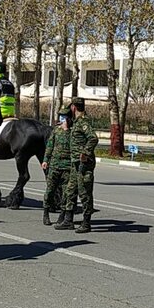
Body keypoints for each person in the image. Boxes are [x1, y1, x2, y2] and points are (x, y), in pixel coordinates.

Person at [56, 97, 98, 233]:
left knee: (84, 192)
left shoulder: (83, 123)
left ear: (73, 107)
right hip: (75, 164)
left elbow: (93, 137)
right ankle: (68, 220)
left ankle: (86, 223)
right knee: (70, 190)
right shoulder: (76, 123)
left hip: (83, 164)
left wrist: (85, 152)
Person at [41, 107, 73, 226]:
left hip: (68, 167)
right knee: (50, 190)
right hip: (54, 165)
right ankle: (46, 213)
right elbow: (50, 146)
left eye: (64, 117)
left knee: (66, 192)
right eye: (61, 117)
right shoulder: (55, 131)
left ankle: (62, 215)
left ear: (69, 119)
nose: (62, 119)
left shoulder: (73, 132)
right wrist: (45, 160)